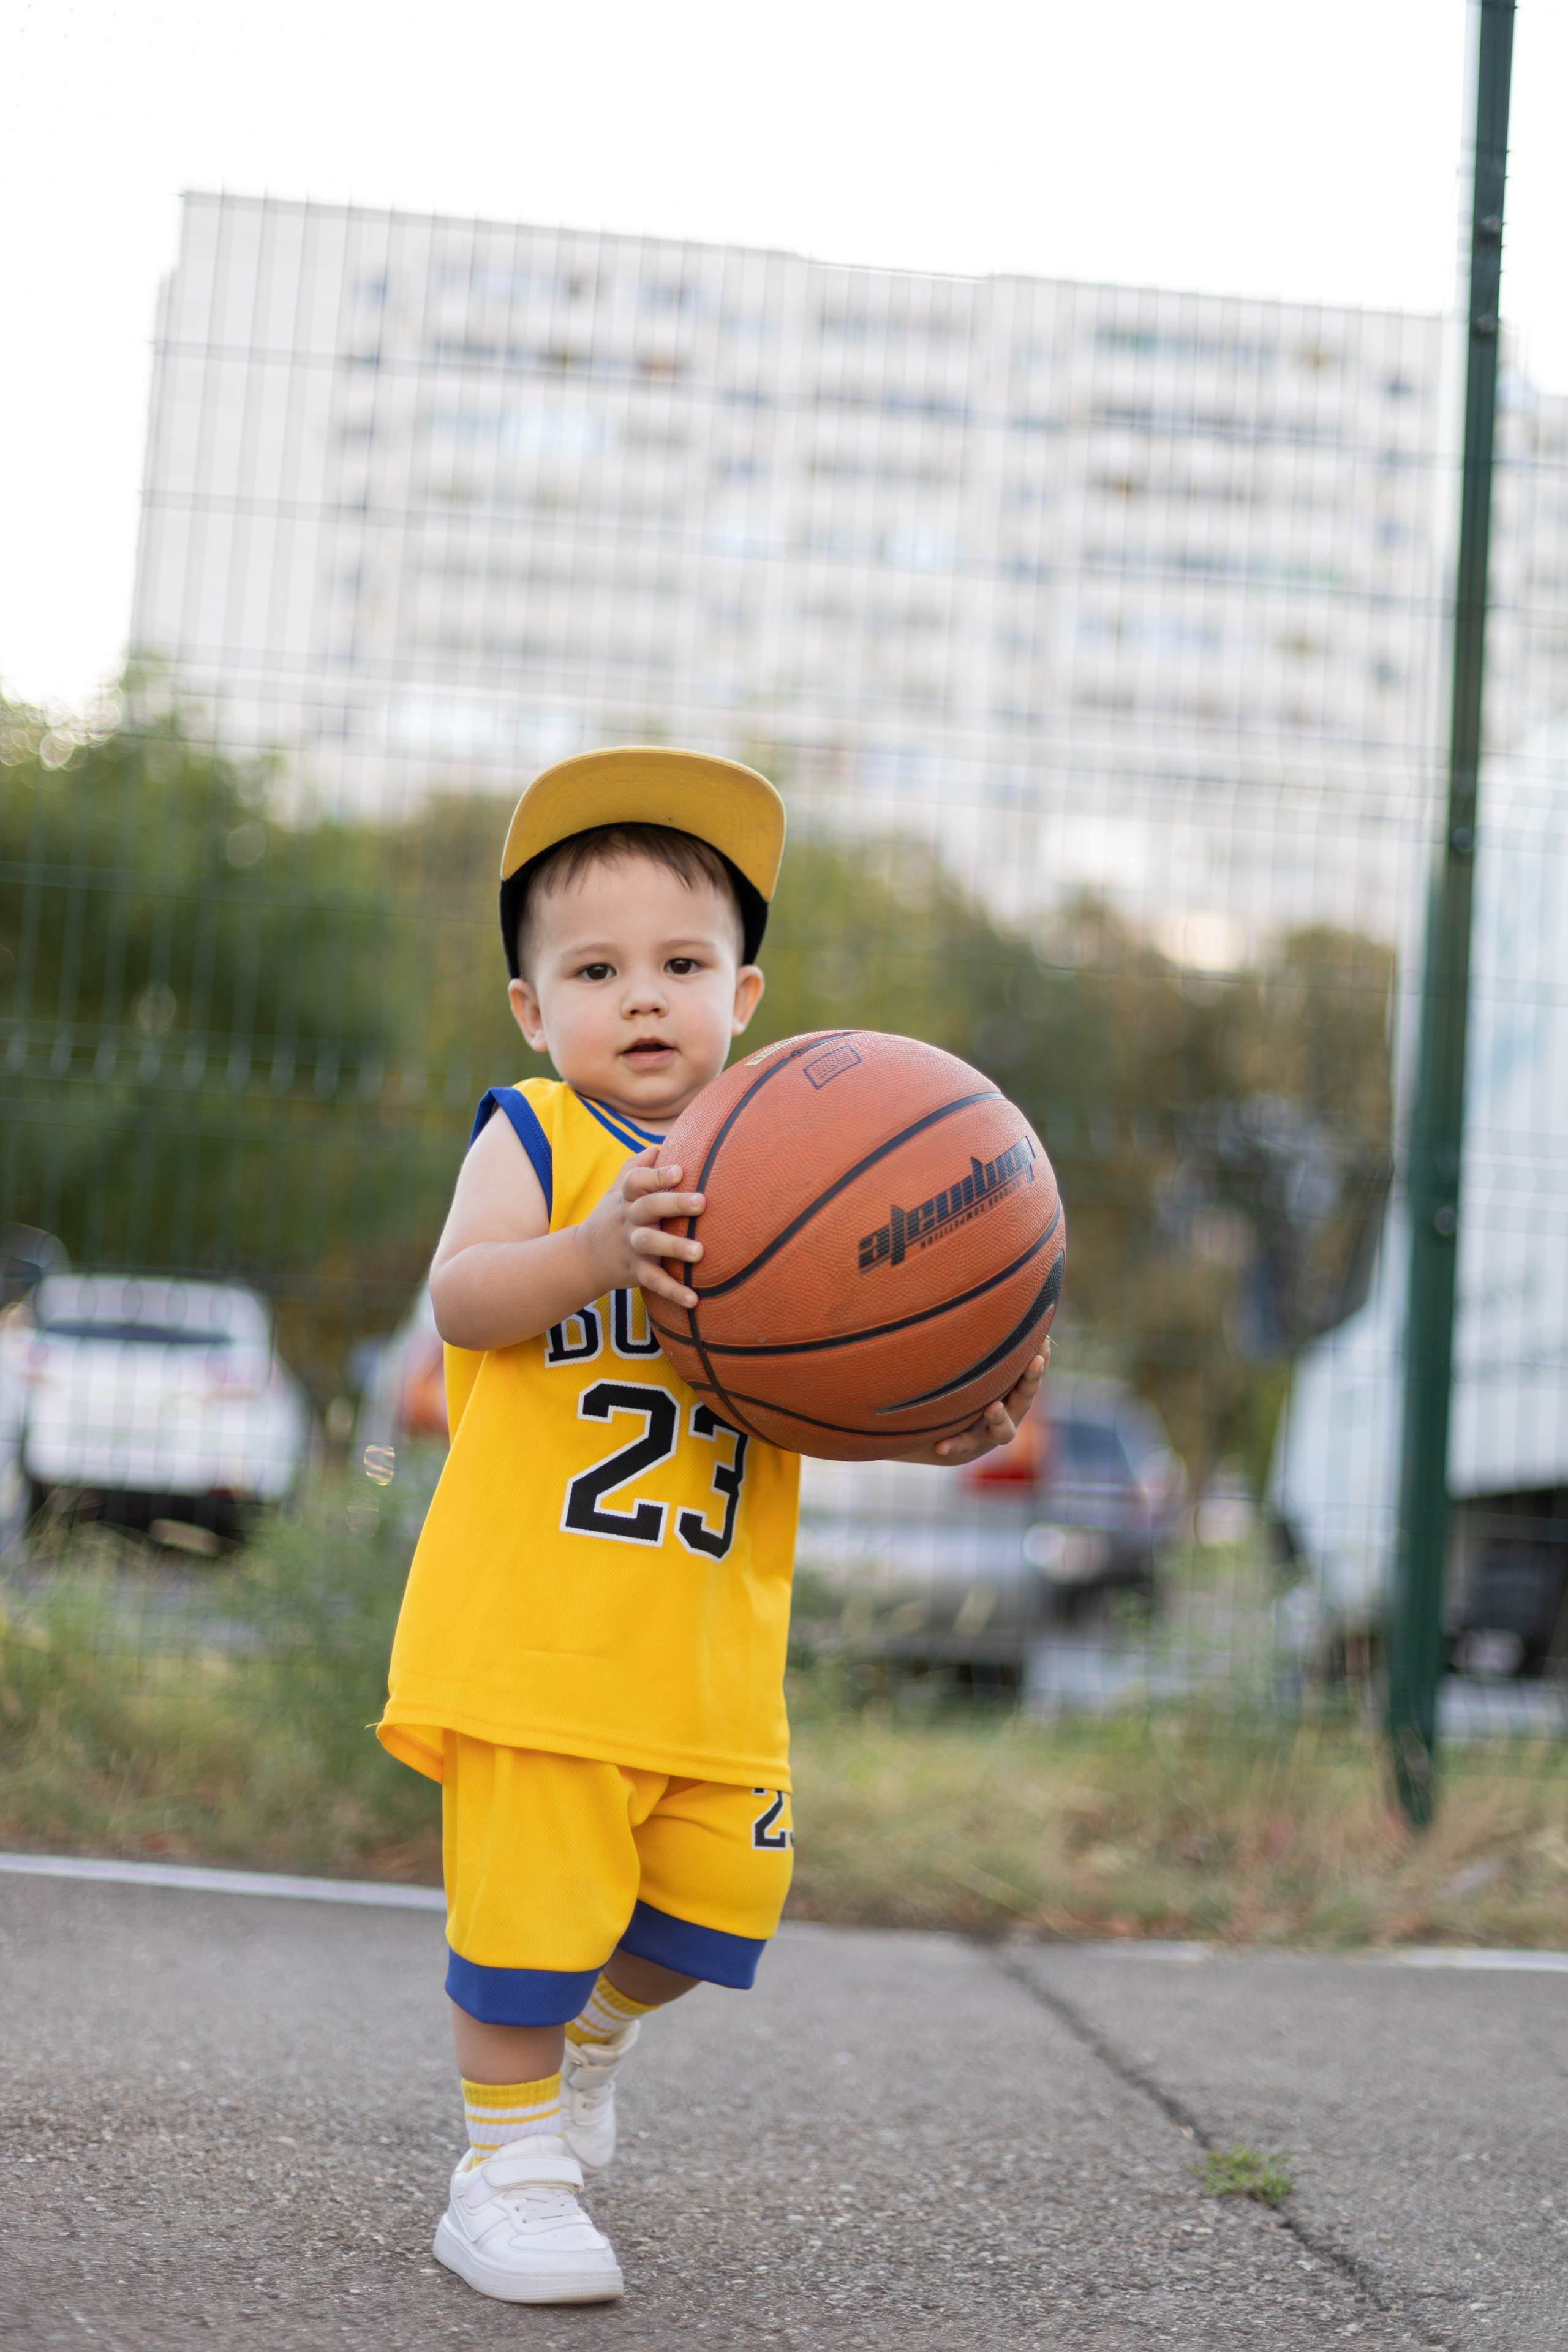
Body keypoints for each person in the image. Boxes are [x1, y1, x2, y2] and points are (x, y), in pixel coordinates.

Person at [377, 747, 1046, 2305]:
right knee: (528, 1925)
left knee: (711, 1910)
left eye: (681, 963)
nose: (643, 997)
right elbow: (460, 1298)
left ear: (745, 995)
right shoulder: (542, 1137)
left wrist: (939, 1418)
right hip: (534, 1646)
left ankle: (588, 2052)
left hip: (703, 1665)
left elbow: (821, 1398)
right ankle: (505, 2170)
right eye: (595, 969)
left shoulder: (797, 1170)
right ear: (535, 1012)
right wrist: (595, 1245)